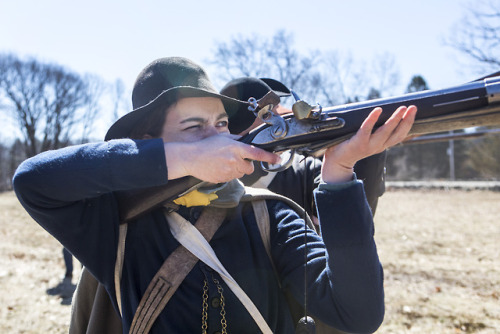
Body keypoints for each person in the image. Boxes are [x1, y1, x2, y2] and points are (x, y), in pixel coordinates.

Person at [13, 56, 416, 333]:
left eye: (221, 124)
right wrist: (185, 159)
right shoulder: (117, 227)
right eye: (194, 128)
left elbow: (358, 313)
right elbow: (32, 179)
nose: (215, 139)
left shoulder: (270, 217)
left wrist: (340, 173)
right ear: (149, 142)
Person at [221, 77, 388, 217]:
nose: (288, 112)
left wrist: (368, 152)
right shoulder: (211, 177)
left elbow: (352, 220)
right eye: (272, 108)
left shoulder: (302, 168)